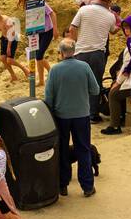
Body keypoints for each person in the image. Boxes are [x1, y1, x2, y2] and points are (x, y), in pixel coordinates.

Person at [43, 39, 100, 198]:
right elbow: (95, 90)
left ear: (61, 53)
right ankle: (87, 186)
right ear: (74, 51)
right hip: (82, 115)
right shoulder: (84, 67)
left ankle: (63, 185)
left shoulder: (55, 70)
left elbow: (48, 97)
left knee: (62, 150)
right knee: (83, 149)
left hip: (62, 116)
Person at [68, 0, 119, 120]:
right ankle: (93, 114)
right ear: (109, 2)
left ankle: (78, 111)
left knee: (79, 83)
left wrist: (75, 43)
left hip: (80, 52)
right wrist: (117, 19)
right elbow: (113, 31)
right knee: (95, 83)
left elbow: (72, 28)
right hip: (97, 53)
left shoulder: (84, 10)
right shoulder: (110, 16)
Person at [17, 0, 56, 87]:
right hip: (37, 33)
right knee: (38, 56)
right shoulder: (27, 4)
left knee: (39, 56)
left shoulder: (39, 3)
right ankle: (42, 80)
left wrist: (56, 30)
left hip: (47, 31)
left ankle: (51, 73)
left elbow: (52, 13)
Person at [0, 6, 26, 82]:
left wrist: (9, 47)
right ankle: (13, 76)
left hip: (12, 39)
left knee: (9, 60)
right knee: (3, 58)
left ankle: (24, 69)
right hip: (4, 38)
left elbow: (12, 34)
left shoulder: (7, 20)